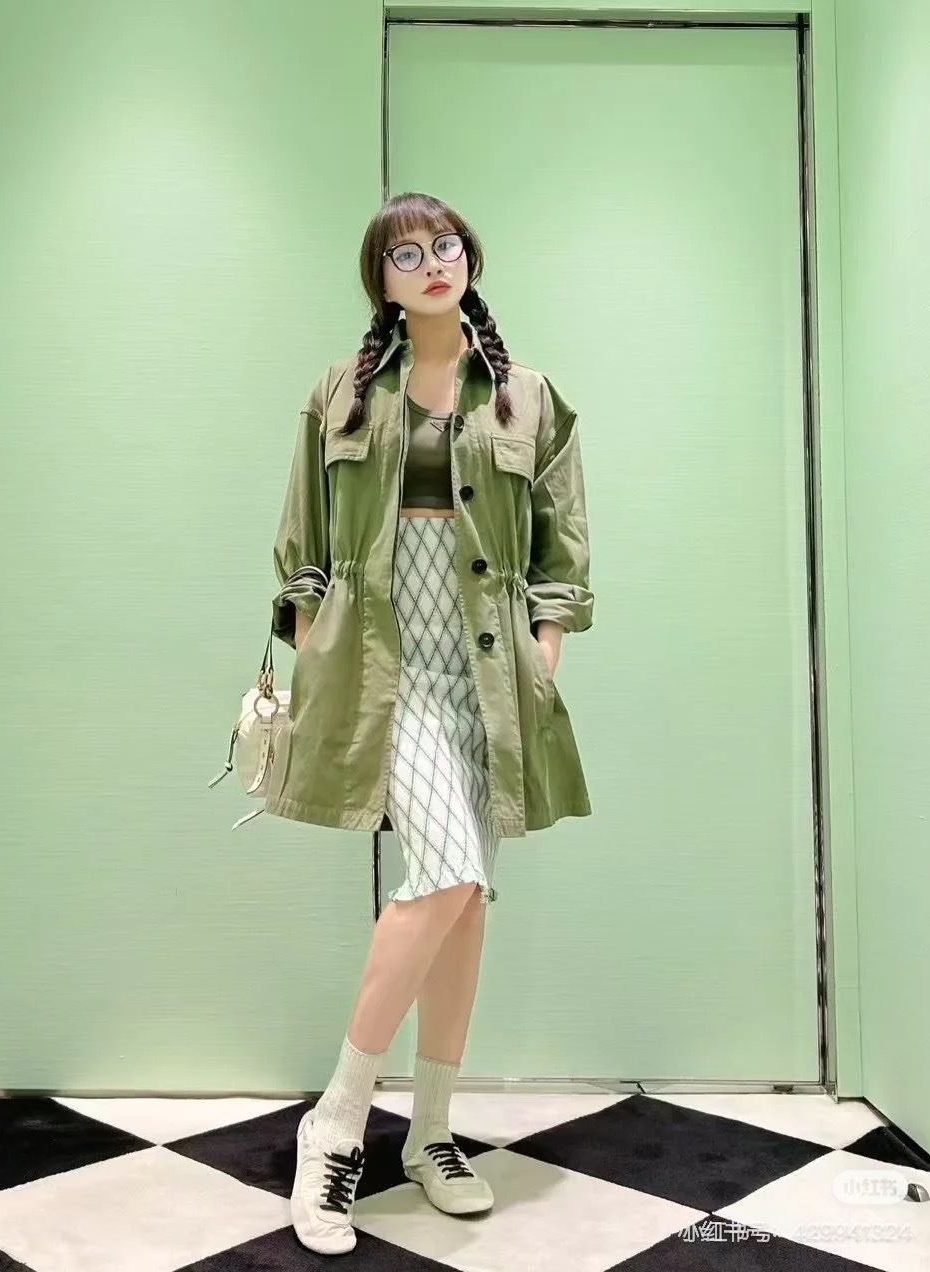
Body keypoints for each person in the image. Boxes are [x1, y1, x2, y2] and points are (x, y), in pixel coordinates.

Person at [267, 192, 594, 1256]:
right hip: (383, 666)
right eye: (406, 254)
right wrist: (314, 638)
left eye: (444, 245)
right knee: (446, 877)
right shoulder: (343, 392)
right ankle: (337, 1124)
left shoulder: (527, 396)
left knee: (466, 906)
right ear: (384, 281)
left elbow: (562, 544)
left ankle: (433, 1134)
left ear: (469, 258)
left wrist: (546, 650)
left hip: (488, 672)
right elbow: (303, 535)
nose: (432, 263)